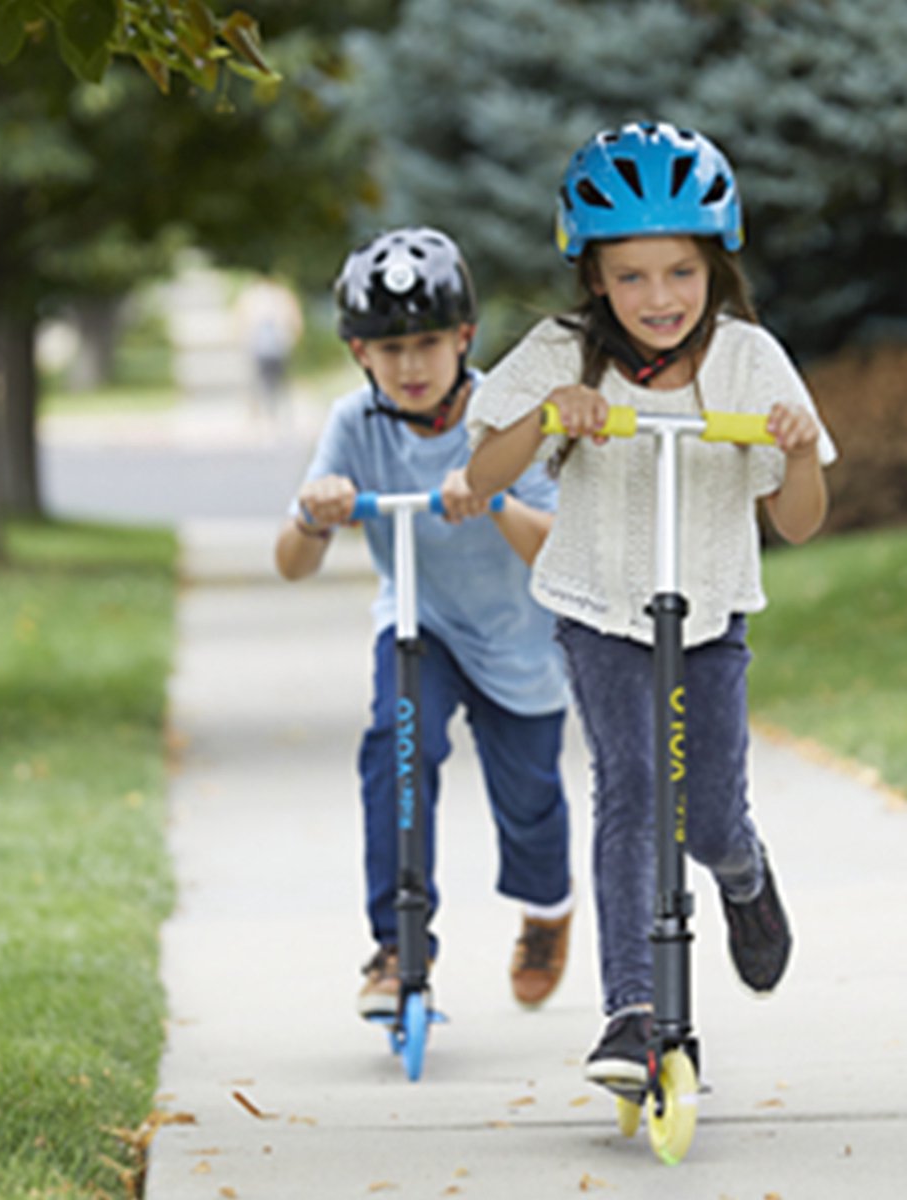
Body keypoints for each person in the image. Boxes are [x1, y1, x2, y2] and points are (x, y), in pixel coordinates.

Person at [465, 121, 837, 1092]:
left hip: (709, 612)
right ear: (593, 278)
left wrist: (795, 452)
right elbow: (483, 467)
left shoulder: (750, 361)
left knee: (706, 817)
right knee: (631, 792)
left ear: (715, 265)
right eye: (631, 277)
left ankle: (744, 877)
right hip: (600, 609)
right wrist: (550, 417)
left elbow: (797, 523)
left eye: (680, 272)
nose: (659, 298)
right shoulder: (562, 351)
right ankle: (633, 1012)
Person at [275, 227, 574, 1017]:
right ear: (358, 354)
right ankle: (398, 942)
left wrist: (493, 492)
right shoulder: (354, 425)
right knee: (397, 748)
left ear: (464, 339)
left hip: (519, 643)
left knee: (532, 805)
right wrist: (316, 514)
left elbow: (554, 554)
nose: (410, 365)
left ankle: (548, 912)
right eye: (388, 347)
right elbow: (291, 562)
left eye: (428, 343)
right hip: (421, 621)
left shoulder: (507, 419)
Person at [237, 278, 303, 424]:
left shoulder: (252, 295)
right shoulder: (282, 294)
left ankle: (263, 416)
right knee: (277, 382)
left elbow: (241, 319)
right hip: (277, 345)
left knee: (261, 382)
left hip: (262, 346)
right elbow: (296, 319)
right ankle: (272, 415)